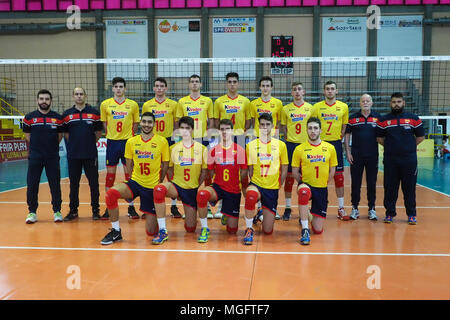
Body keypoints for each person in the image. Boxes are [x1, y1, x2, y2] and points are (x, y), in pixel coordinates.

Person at [100, 112, 169, 245]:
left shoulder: (162, 141)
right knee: (111, 194)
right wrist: (132, 180)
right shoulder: (131, 141)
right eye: (144, 121)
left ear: (154, 124)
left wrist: (159, 182)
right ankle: (116, 231)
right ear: (140, 123)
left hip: (151, 187)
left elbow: (165, 165)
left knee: (150, 232)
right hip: (135, 182)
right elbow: (129, 164)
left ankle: (160, 229)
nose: (147, 125)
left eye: (150, 122)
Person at [152, 116, 208, 245]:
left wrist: (195, 186)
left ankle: (193, 216)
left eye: (187, 128)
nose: (184, 131)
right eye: (182, 128)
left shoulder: (202, 149)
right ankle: (162, 230)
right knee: (159, 189)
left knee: (190, 228)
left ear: (192, 130)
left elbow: (204, 173)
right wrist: (173, 183)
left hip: (191, 189)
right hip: (176, 187)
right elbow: (169, 169)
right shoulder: (173, 149)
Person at [196, 119, 248, 242]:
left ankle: (225, 212)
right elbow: (210, 171)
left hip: (233, 190)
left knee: (232, 230)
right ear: (219, 131)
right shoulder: (213, 150)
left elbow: (244, 171)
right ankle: (205, 228)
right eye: (222, 129)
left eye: (227, 129)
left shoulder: (239, 150)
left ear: (232, 131)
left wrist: (236, 181)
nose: (224, 132)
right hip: (218, 187)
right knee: (202, 194)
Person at [376, 92, 425, 225]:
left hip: (409, 160)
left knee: (409, 188)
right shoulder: (384, 120)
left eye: (398, 102)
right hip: (391, 159)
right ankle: (390, 213)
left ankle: (412, 214)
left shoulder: (413, 118)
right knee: (390, 188)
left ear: (404, 103)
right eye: (394, 102)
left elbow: (421, 137)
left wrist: (408, 147)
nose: (396, 104)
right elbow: (379, 138)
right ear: (390, 103)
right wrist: (392, 147)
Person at [243, 113, 288, 245]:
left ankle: (260, 213)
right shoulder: (251, 145)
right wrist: (254, 182)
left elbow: (284, 168)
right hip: (257, 184)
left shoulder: (281, 145)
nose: (265, 127)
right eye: (262, 125)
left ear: (273, 126)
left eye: (268, 125)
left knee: (268, 231)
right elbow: (250, 169)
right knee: (251, 195)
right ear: (258, 126)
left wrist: (280, 184)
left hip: (272, 188)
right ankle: (249, 228)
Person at [291, 117, 337, 245]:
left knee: (317, 230)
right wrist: (302, 183)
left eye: (315, 128)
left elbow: (332, 170)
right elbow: (295, 171)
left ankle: (307, 215)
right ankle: (305, 229)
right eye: (310, 128)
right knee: (304, 192)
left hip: (321, 188)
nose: (313, 131)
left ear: (320, 130)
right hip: (306, 185)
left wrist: (325, 182)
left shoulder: (330, 148)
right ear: (306, 130)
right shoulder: (300, 149)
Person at [100, 77, 140, 219]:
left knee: (130, 175)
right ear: (112, 89)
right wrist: (112, 135)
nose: (118, 89)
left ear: (125, 88)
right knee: (110, 176)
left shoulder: (132, 105)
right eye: (116, 86)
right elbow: (104, 123)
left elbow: (135, 123)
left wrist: (129, 137)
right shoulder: (105, 104)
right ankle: (108, 208)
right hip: (112, 143)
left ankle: (131, 207)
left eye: (121, 86)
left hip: (127, 143)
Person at [213, 72, 251, 218]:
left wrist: (241, 134)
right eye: (230, 82)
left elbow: (248, 121)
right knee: (222, 170)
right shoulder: (219, 101)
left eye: (235, 82)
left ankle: (248, 205)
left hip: (239, 139)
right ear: (226, 83)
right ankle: (221, 207)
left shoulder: (245, 101)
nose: (232, 84)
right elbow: (216, 121)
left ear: (238, 83)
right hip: (224, 138)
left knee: (242, 173)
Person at [23, 89, 64, 224]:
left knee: (55, 185)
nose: (44, 101)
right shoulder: (29, 118)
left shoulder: (58, 118)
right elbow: (28, 136)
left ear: (50, 101)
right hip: (35, 156)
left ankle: (57, 211)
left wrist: (50, 147)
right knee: (32, 184)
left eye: (46, 99)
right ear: (37, 100)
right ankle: (32, 212)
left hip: (52, 156)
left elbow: (59, 136)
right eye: (41, 99)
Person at [62, 87, 103, 221]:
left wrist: (89, 143)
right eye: (76, 94)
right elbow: (66, 134)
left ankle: (95, 210)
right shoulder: (67, 114)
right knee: (74, 184)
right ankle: (73, 211)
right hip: (74, 155)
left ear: (85, 96)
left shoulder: (94, 113)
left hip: (90, 154)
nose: (79, 96)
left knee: (94, 184)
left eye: (81, 94)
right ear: (73, 96)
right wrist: (75, 143)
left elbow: (98, 133)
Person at [142, 77, 180, 218]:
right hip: (153, 141)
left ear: (166, 88)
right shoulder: (147, 105)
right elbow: (145, 124)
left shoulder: (173, 104)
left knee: (171, 173)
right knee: (152, 173)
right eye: (157, 86)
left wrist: (174, 140)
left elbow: (176, 123)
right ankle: (150, 206)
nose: (159, 88)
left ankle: (174, 206)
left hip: (169, 141)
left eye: (162, 86)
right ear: (153, 88)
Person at [176, 74, 214, 218]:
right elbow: (179, 122)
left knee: (207, 171)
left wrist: (208, 136)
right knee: (189, 170)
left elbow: (211, 121)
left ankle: (208, 206)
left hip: (203, 140)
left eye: (197, 81)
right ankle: (189, 203)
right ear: (188, 84)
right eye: (192, 82)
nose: (194, 84)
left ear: (201, 84)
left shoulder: (207, 101)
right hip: (187, 141)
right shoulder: (182, 102)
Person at [312, 81, 349, 220]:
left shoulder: (343, 107)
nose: (330, 91)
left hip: (335, 145)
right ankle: (315, 207)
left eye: (332, 89)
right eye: (327, 89)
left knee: (339, 177)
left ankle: (340, 208)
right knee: (317, 176)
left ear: (336, 91)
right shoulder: (316, 107)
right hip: (320, 145)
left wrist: (338, 140)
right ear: (324, 91)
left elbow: (344, 127)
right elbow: (313, 126)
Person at [249, 76, 283, 220]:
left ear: (272, 87)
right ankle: (259, 208)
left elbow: (279, 123)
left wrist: (275, 139)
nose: (265, 88)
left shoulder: (278, 103)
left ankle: (271, 206)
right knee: (258, 171)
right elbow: (252, 123)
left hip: (273, 141)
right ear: (259, 87)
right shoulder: (253, 104)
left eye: (268, 85)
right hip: (258, 140)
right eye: (263, 85)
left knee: (273, 172)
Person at [279, 82, 314, 221]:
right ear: (292, 93)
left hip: (306, 146)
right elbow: (283, 127)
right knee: (288, 178)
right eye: (294, 90)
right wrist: (289, 139)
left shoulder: (311, 108)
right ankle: (288, 207)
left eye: (299, 89)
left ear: (303, 92)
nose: (297, 92)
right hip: (291, 146)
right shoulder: (286, 109)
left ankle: (304, 211)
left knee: (304, 178)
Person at [344, 94, 380, 221]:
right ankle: (355, 208)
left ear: (372, 103)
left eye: (367, 101)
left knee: (372, 183)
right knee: (356, 183)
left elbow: (382, 136)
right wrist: (348, 152)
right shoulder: (353, 118)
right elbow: (347, 135)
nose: (365, 102)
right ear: (360, 103)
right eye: (363, 101)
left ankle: (372, 209)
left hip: (372, 155)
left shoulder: (377, 117)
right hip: (356, 155)